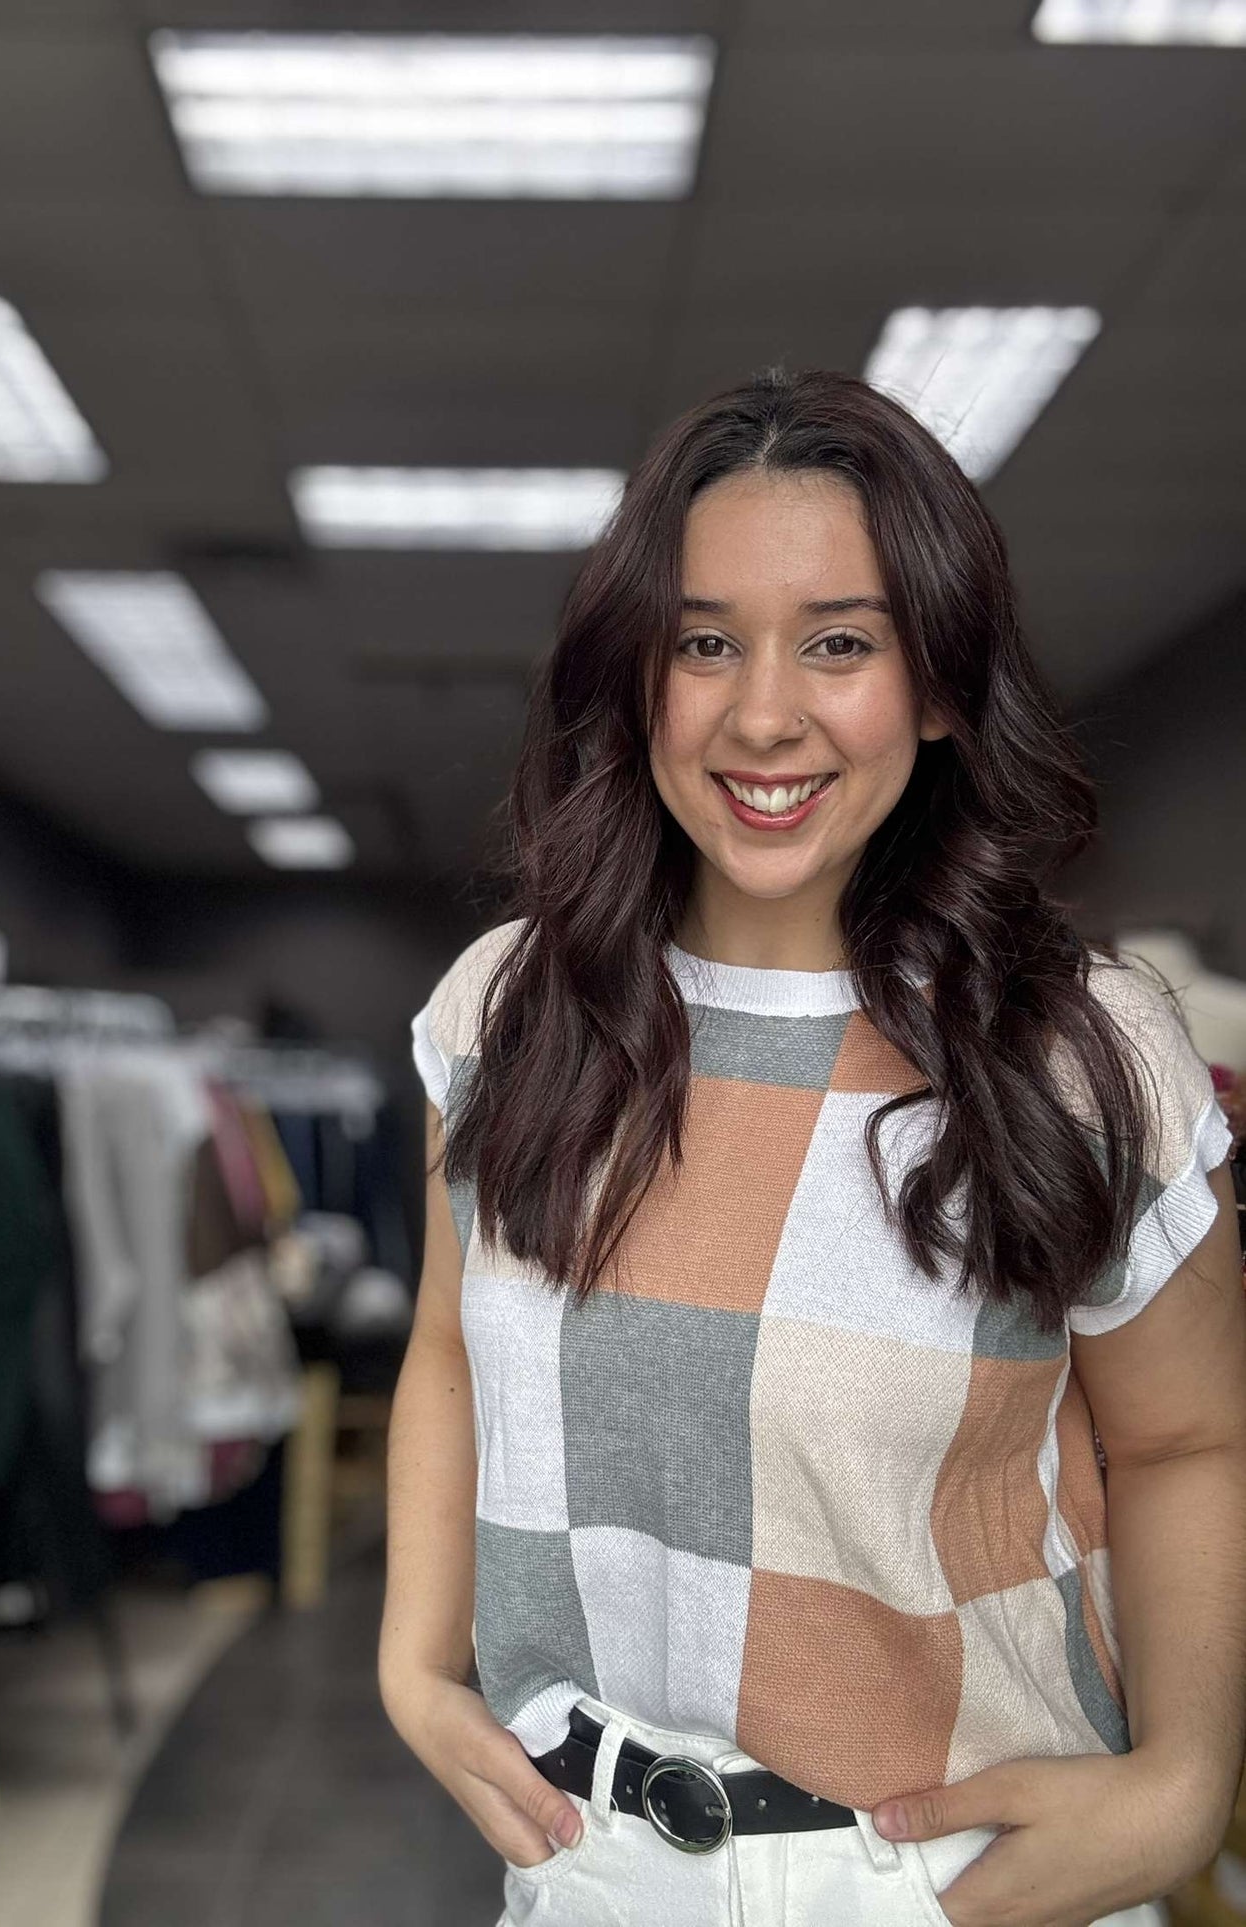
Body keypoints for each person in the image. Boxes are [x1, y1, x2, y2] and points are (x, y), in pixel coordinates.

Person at [378, 369, 1246, 1927]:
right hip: (589, 1864)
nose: (761, 711)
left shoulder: (1083, 1050)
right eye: (703, 641)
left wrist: (1185, 1782)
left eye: (838, 642)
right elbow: (445, 1345)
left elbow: (1189, 1441)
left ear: (934, 684)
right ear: (637, 675)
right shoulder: (505, 1009)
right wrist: (410, 1664)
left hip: (957, 1873)